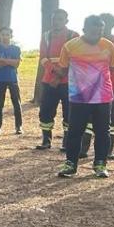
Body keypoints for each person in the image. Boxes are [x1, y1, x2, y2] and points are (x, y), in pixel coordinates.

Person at [56, 15, 114, 178]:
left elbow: (113, 68)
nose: (97, 36)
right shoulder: (70, 46)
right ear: (84, 30)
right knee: (75, 131)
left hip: (103, 97)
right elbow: (63, 68)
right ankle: (70, 164)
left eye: (100, 32)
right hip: (79, 98)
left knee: (102, 132)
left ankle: (100, 164)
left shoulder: (109, 46)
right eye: (93, 32)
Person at [80, 13, 114, 159]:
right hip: (91, 87)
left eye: (106, 23)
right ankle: (83, 149)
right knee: (88, 119)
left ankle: (108, 150)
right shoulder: (86, 43)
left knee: (113, 119)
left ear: (112, 25)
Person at [37, 9, 79, 150]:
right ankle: (46, 140)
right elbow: (43, 57)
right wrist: (54, 71)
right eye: (54, 19)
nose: (56, 22)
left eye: (60, 19)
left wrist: (61, 74)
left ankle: (66, 142)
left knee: (69, 112)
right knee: (46, 110)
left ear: (66, 21)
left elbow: (76, 57)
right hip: (49, 79)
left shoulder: (74, 36)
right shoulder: (46, 36)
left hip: (69, 80)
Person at [0, 26, 23, 135]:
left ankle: (19, 126)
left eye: (7, 34)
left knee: (16, 102)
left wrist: (3, 60)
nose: (5, 36)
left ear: (11, 36)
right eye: (3, 34)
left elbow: (16, 64)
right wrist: (10, 61)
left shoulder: (16, 49)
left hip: (12, 79)